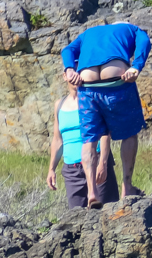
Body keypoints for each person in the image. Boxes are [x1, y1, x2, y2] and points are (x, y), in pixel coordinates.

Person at [61, 22, 150, 209]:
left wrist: (69, 70)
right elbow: (144, 41)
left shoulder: (88, 33)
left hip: (87, 84)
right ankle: (127, 187)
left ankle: (92, 193)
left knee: (89, 140)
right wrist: (136, 66)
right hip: (116, 80)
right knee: (129, 134)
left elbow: (67, 50)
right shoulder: (132, 28)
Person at [46, 80, 120, 208]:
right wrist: (51, 169)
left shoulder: (93, 100)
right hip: (72, 171)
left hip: (96, 163)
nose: (76, 77)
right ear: (65, 76)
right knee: (76, 214)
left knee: (105, 211)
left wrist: (103, 163)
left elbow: (104, 134)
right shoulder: (59, 105)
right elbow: (57, 140)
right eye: (72, 72)